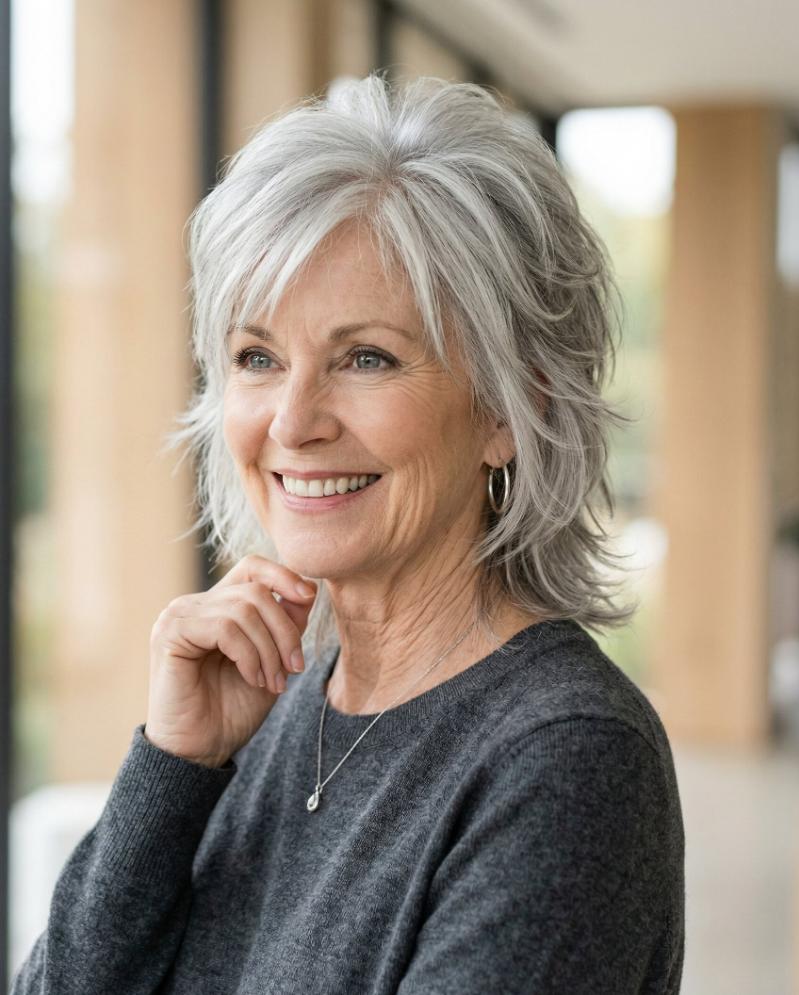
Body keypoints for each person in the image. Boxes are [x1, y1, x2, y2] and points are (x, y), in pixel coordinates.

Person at [12, 73, 684, 994]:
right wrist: (173, 767)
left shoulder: (568, 759)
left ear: (509, 409)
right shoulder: (281, 703)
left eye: (365, 357)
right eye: (258, 357)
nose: (292, 421)